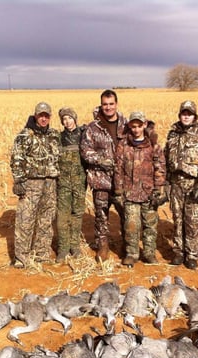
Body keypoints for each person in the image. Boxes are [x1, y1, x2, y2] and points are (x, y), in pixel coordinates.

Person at [10, 102, 60, 268]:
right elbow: (17, 159)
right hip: (32, 183)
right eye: (41, 115)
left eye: (46, 115)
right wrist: (19, 181)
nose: (44, 118)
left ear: (50, 117)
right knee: (25, 220)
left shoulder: (54, 134)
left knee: (46, 220)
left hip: (50, 183)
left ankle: (42, 255)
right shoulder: (25, 135)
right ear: (36, 115)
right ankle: (21, 258)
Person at [165, 100, 198, 270]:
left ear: (194, 116)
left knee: (192, 221)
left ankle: (192, 254)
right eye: (183, 113)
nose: (186, 116)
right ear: (180, 115)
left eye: (189, 113)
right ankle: (178, 252)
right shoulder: (172, 134)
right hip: (176, 183)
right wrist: (167, 183)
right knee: (177, 219)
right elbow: (166, 158)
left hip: (193, 183)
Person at [114, 111, 166, 268]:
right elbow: (118, 169)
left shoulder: (153, 145)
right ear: (129, 126)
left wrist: (158, 189)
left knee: (150, 225)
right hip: (130, 193)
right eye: (133, 126)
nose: (136, 129)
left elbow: (160, 167)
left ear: (144, 125)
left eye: (139, 126)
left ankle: (149, 253)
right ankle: (132, 253)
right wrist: (118, 191)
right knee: (131, 224)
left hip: (148, 193)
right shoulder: (123, 145)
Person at [80, 89, 127, 262]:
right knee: (101, 216)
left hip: (122, 182)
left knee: (126, 214)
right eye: (105, 104)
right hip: (101, 181)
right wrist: (102, 160)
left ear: (116, 104)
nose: (108, 107)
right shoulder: (93, 127)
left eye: (111, 104)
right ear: (101, 105)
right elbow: (85, 151)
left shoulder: (126, 124)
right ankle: (103, 246)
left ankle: (126, 246)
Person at [55, 107, 87, 263]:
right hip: (63, 184)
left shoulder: (84, 135)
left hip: (80, 183)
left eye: (69, 118)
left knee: (77, 214)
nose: (67, 122)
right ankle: (62, 249)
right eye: (64, 119)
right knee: (62, 216)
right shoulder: (58, 138)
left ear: (75, 118)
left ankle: (75, 247)